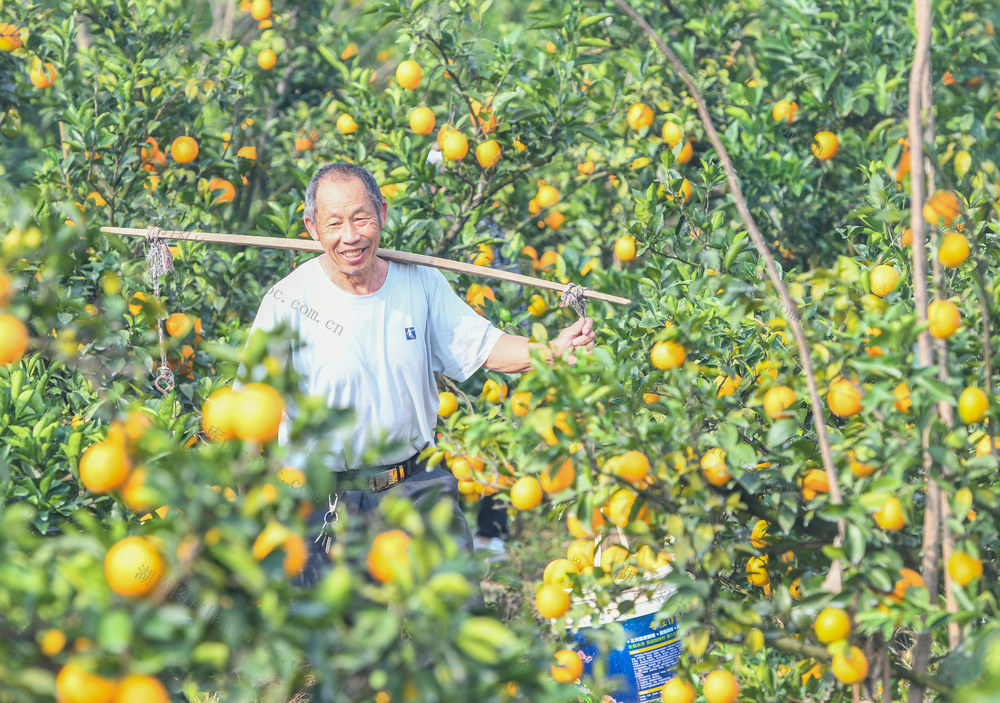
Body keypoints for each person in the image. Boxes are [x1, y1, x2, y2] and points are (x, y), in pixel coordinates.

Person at [240, 162, 595, 586]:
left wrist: (552, 351)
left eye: (360, 218)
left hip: (415, 484)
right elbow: (250, 408)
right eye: (334, 223)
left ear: (382, 214)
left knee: (455, 611)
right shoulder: (287, 301)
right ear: (312, 228)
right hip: (324, 500)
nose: (350, 236)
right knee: (340, 625)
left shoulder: (420, 282)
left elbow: (487, 347)